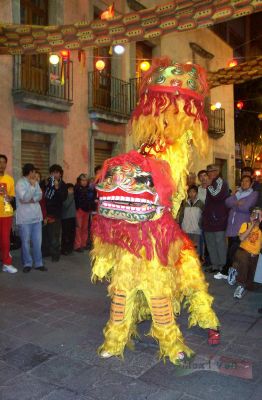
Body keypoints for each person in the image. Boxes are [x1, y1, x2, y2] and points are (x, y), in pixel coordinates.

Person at [225, 175, 258, 279]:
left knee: (238, 253)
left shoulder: (254, 194)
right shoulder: (237, 193)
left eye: (247, 181)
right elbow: (227, 202)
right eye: (242, 181)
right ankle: (231, 272)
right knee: (231, 251)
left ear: (251, 183)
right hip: (231, 227)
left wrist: (234, 204)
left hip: (242, 229)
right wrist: (236, 202)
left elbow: (246, 207)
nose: (244, 183)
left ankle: (234, 272)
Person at [16, 163, 46, 273]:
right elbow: (24, 197)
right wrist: (32, 188)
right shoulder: (20, 183)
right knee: (25, 242)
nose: (35, 173)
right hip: (24, 218)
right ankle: (27, 263)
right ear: (30, 172)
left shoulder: (35, 182)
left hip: (37, 217)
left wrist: (31, 198)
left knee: (38, 242)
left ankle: (38, 263)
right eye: (34, 171)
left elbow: (40, 195)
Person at [202, 164, 229, 279]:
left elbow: (216, 195)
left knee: (220, 244)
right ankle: (215, 265)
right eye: (208, 172)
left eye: (211, 171)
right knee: (211, 243)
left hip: (218, 219)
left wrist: (208, 186)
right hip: (208, 219)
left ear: (217, 171)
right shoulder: (210, 183)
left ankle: (222, 266)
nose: (209, 174)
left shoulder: (220, 182)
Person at [229, 207, 262, 299]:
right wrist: (252, 225)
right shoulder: (246, 225)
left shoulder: (260, 231)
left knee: (250, 285)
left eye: (259, 214)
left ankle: (235, 268)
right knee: (244, 261)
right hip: (243, 251)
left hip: (255, 255)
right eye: (255, 214)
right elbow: (241, 238)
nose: (256, 216)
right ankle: (240, 285)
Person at [44, 164, 67, 262]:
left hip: (56, 214)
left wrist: (57, 189)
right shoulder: (48, 183)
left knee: (55, 235)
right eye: (53, 172)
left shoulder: (63, 185)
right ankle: (46, 252)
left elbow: (63, 198)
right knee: (46, 234)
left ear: (60, 174)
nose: (55, 175)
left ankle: (55, 255)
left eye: (57, 173)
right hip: (45, 212)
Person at [0, 154, 17, 273]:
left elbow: (12, 198)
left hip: (6, 213)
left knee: (5, 240)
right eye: (0, 162)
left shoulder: (9, 179)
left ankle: (6, 263)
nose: (2, 165)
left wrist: (7, 196)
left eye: (4, 162)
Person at [179, 185, 204, 254]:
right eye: (190, 192)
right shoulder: (185, 203)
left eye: (194, 192)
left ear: (197, 193)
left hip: (196, 230)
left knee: (196, 249)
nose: (192, 193)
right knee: (186, 249)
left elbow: (203, 216)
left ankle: (197, 262)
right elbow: (181, 216)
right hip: (185, 230)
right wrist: (180, 226)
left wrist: (200, 225)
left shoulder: (201, 204)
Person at [74, 173, 90, 252]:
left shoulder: (89, 189)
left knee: (85, 228)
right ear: (79, 181)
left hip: (86, 211)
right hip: (79, 210)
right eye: (82, 180)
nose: (84, 182)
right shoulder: (76, 188)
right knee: (78, 228)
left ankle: (83, 244)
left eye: (85, 180)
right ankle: (77, 245)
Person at [61, 183, 76, 255]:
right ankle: (64, 249)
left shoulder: (73, 196)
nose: (71, 191)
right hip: (66, 218)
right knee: (65, 234)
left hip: (73, 217)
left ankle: (70, 248)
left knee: (71, 234)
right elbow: (66, 205)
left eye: (72, 189)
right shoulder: (65, 196)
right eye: (70, 189)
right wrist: (70, 196)